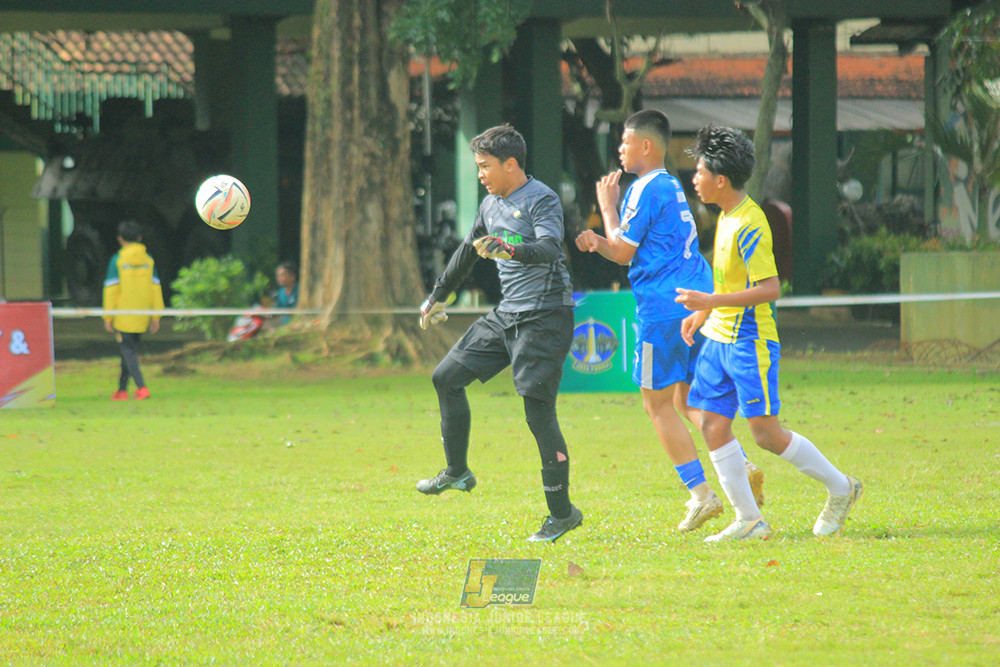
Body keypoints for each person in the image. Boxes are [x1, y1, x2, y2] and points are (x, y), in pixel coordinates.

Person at [574, 109, 763, 534]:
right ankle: (739, 460)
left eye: (624, 142)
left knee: (655, 405)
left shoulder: (642, 188)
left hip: (661, 310)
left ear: (645, 146)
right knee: (686, 400)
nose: (619, 149)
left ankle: (701, 496)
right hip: (697, 300)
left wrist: (603, 215)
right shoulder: (673, 186)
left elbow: (621, 252)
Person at [676, 125, 863, 541]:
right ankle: (750, 519)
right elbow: (729, 284)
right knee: (711, 423)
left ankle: (840, 487)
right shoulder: (725, 215)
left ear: (720, 180)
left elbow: (769, 289)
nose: (695, 178)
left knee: (765, 434)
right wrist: (705, 314)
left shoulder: (750, 223)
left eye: (700, 171)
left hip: (749, 342)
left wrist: (708, 305)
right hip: (719, 338)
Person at [416, 124, 582, 543]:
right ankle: (457, 472)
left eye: (485, 166)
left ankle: (562, 514)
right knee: (445, 378)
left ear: (511, 164)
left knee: (536, 412)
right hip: (507, 313)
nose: (480, 175)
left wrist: (509, 249)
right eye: (477, 167)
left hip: (545, 316)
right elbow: (466, 249)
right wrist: (437, 295)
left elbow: (549, 248)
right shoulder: (490, 203)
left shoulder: (541, 198)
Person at [102, 220, 164, 401]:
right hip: (143, 314)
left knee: (128, 351)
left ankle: (142, 387)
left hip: (124, 315)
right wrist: (156, 315)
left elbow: (111, 290)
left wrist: (108, 316)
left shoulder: (118, 260)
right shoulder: (148, 260)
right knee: (128, 351)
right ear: (139, 238)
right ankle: (121, 390)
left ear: (120, 239)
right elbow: (155, 287)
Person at [272, 261, 299, 326]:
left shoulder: (299, 290)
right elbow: (276, 310)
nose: (279, 278)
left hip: (296, 322)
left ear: (292, 276)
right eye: (278, 276)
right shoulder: (281, 292)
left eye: (282, 275)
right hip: (283, 324)